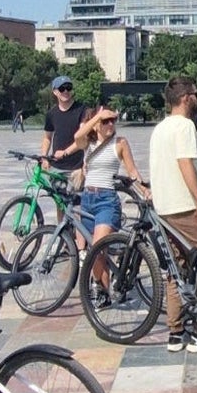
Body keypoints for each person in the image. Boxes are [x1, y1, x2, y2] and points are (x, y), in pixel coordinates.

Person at [146, 77, 197, 352]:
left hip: (164, 209)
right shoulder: (185, 125)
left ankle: (176, 333)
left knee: (176, 271)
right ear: (186, 98)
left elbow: (177, 162)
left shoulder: (160, 128)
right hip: (185, 208)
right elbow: (184, 164)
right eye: (196, 94)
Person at [64, 106, 140, 303]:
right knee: (97, 254)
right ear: (96, 125)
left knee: (98, 246)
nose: (110, 124)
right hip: (88, 199)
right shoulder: (87, 143)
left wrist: (145, 190)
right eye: (106, 121)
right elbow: (78, 135)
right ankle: (104, 290)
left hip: (107, 200)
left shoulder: (120, 143)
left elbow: (132, 171)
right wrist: (98, 115)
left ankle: (107, 281)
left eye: (113, 120)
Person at [41, 76, 89, 179]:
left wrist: (65, 152)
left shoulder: (82, 110)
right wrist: (44, 157)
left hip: (77, 167)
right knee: (55, 195)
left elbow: (82, 138)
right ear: (55, 92)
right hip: (56, 166)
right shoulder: (51, 114)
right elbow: (47, 138)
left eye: (69, 87)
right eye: (62, 88)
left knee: (76, 195)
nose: (66, 91)